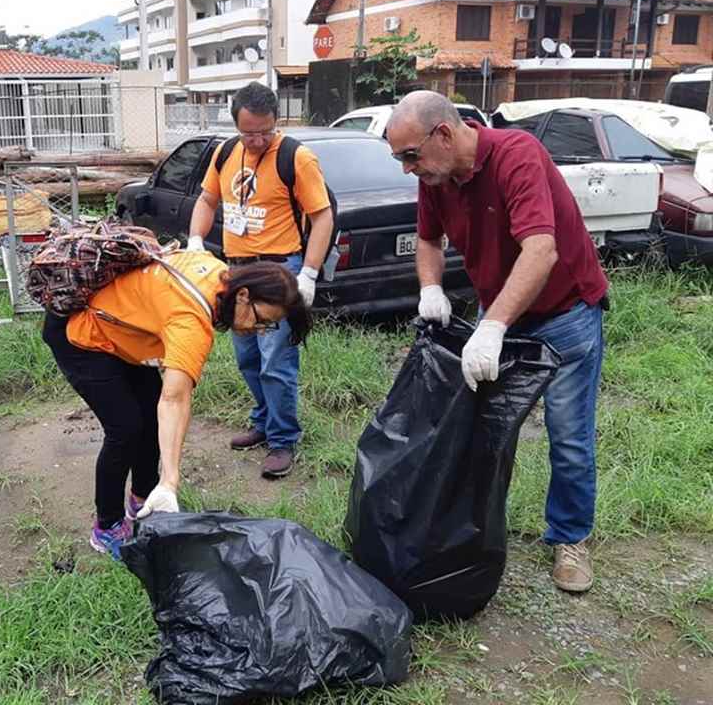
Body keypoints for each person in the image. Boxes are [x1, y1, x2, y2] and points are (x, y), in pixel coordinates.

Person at [385, 90, 608, 594]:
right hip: (501, 311)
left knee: (568, 435)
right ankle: (474, 529)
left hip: (564, 312)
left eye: (410, 155)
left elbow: (541, 250)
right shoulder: (435, 176)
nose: (407, 168)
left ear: (444, 133)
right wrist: (430, 288)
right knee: (481, 427)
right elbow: (428, 239)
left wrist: (492, 328)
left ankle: (570, 537)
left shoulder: (516, 155)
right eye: (399, 158)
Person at [42, 251, 312, 560]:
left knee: (149, 418)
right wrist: (170, 480)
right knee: (125, 428)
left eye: (269, 326)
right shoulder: (192, 319)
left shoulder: (217, 273)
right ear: (243, 295)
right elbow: (174, 399)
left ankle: (143, 500)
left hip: (126, 330)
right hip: (82, 335)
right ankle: (108, 526)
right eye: (262, 320)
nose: (260, 330)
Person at [186, 81, 334, 479]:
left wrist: (308, 273)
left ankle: (283, 440)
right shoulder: (225, 152)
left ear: (276, 120)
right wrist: (196, 239)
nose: (256, 140)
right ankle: (263, 421)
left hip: (278, 271)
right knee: (248, 357)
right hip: (236, 271)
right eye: (248, 133)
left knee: (276, 361)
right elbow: (207, 199)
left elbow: (322, 216)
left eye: (265, 132)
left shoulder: (295, 157)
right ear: (236, 125)